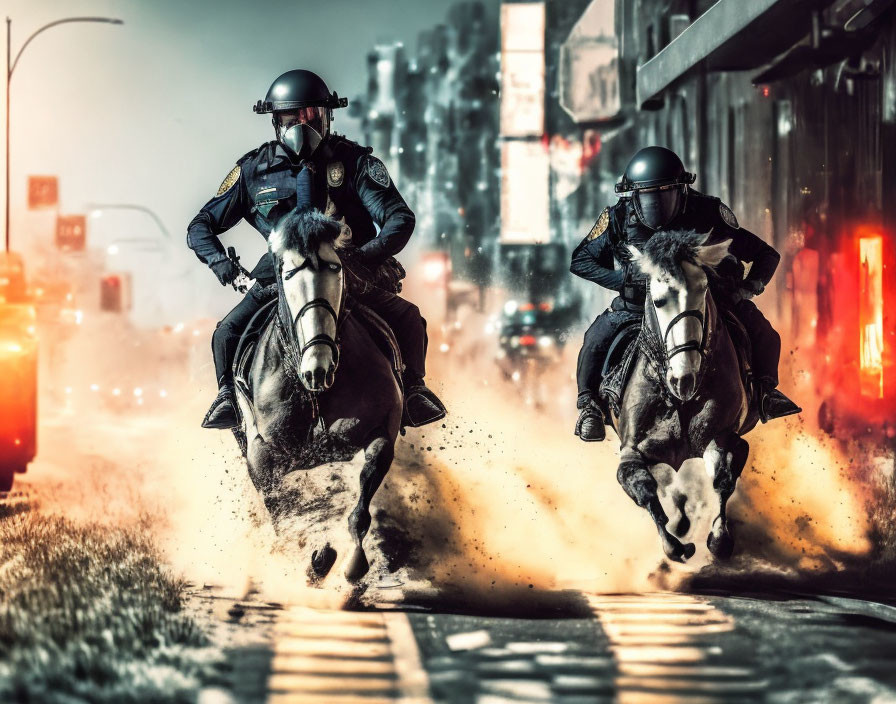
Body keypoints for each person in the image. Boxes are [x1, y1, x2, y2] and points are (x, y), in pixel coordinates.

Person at [187, 69, 445, 430]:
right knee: (227, 332)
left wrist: (364, 257)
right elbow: (200, 227)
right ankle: (227, 398)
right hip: (278, 272)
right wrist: (226, 269)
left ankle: (415, 392)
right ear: (276, 122)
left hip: (347, 270)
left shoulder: (355, 163)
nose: (301, 126)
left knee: (409, 318)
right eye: (292, 118)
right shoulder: (251, 171)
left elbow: (399, 218)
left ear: (328, 116)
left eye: (311, 116)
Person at [571, 146, 800, 441]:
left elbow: (765, 255)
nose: (658, 206)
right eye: (649, 197)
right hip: (638, 305)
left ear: (682, 191)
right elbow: (581, 260)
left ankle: (767, 394)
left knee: (764, 333)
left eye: (665, 195)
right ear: (633, 197)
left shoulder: (707, 211)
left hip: (709, 300)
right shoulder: (617, 216)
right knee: (595, 339)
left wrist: (747, 289)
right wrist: (621, 279)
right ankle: (590, 408)